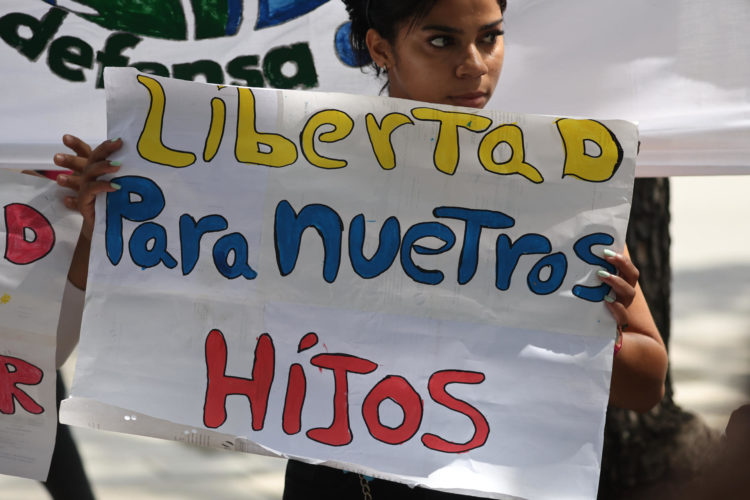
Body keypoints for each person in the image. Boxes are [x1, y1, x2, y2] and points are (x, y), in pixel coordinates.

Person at [53, 0, 669, 497]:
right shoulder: (295, 169)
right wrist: (108, 224)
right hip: (333, 480)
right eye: (441, 40)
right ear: (380, 48)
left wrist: (583, 327)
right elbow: (138, 296)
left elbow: (645, 380)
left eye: (490, 37)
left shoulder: (550, 190)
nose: (474, 64)